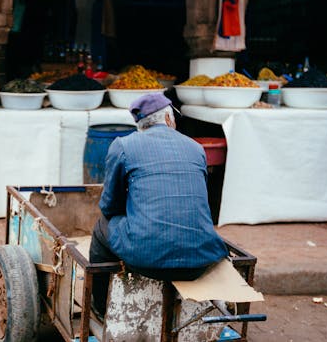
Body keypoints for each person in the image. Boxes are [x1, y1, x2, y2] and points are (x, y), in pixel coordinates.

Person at [89, 93, 229, 319]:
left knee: (101, 227)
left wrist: (133, 213)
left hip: (145, 262)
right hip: (201, 260)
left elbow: (109, 206)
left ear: (140, 125)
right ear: (168, 119)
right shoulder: (196, 149)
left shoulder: (124, 146)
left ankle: (99, 306)